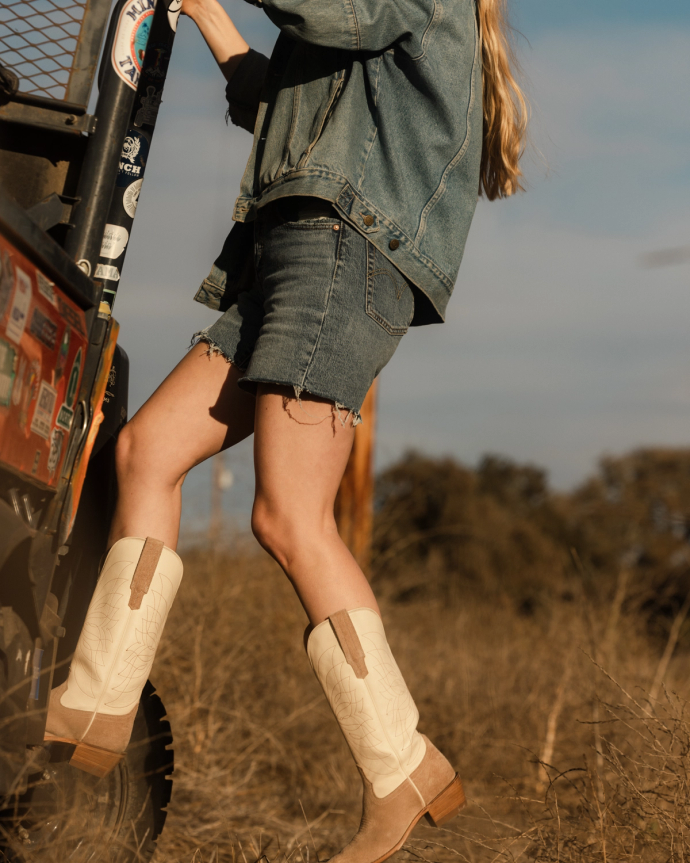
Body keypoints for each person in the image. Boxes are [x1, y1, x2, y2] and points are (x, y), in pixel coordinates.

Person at [46, 0, 527, 858]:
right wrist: (208, 17)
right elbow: (279, 103)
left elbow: (329, 17)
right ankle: (98, 702)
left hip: (341, 250)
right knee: (147, 451)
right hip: (287, 250)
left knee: (289, 516)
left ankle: (401, 764)